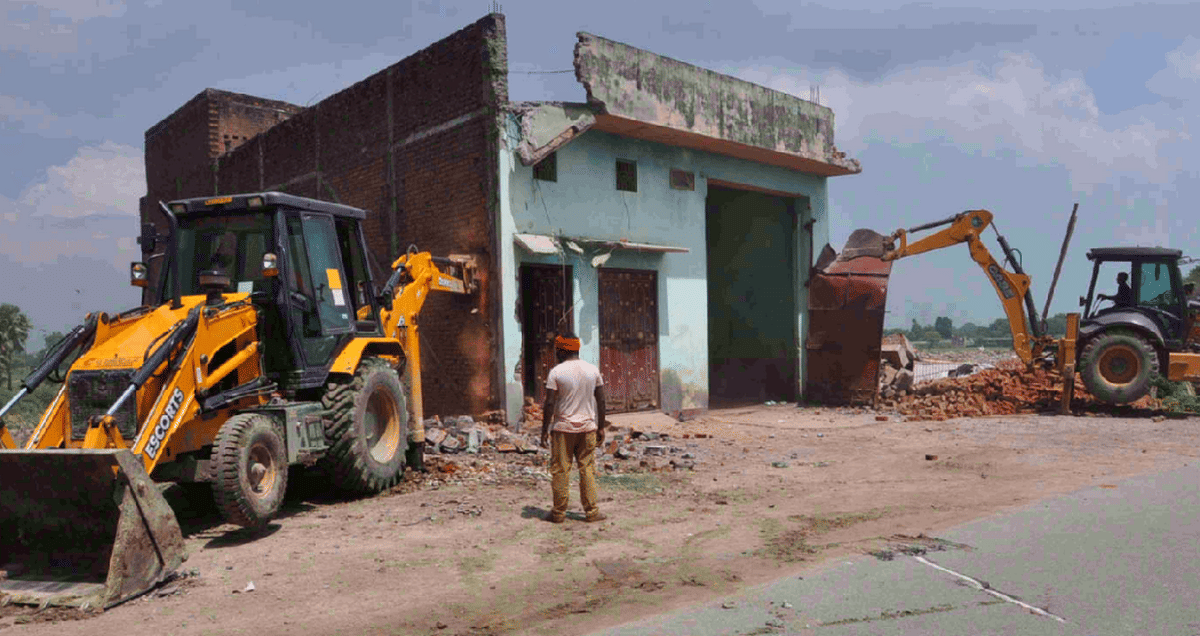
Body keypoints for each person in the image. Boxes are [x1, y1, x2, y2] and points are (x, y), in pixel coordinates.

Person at [540, 332, 607, 524]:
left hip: (563, 430)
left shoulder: (556, 372)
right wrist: (601, 427)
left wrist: (545, 430)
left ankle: (559, 513)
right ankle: (592, 512)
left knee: (561, 470)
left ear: (561, 351)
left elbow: (549, 403)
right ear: (577, 349)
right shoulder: (592, 370)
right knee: (587, 469)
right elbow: (601, 400)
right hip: (588, 429)